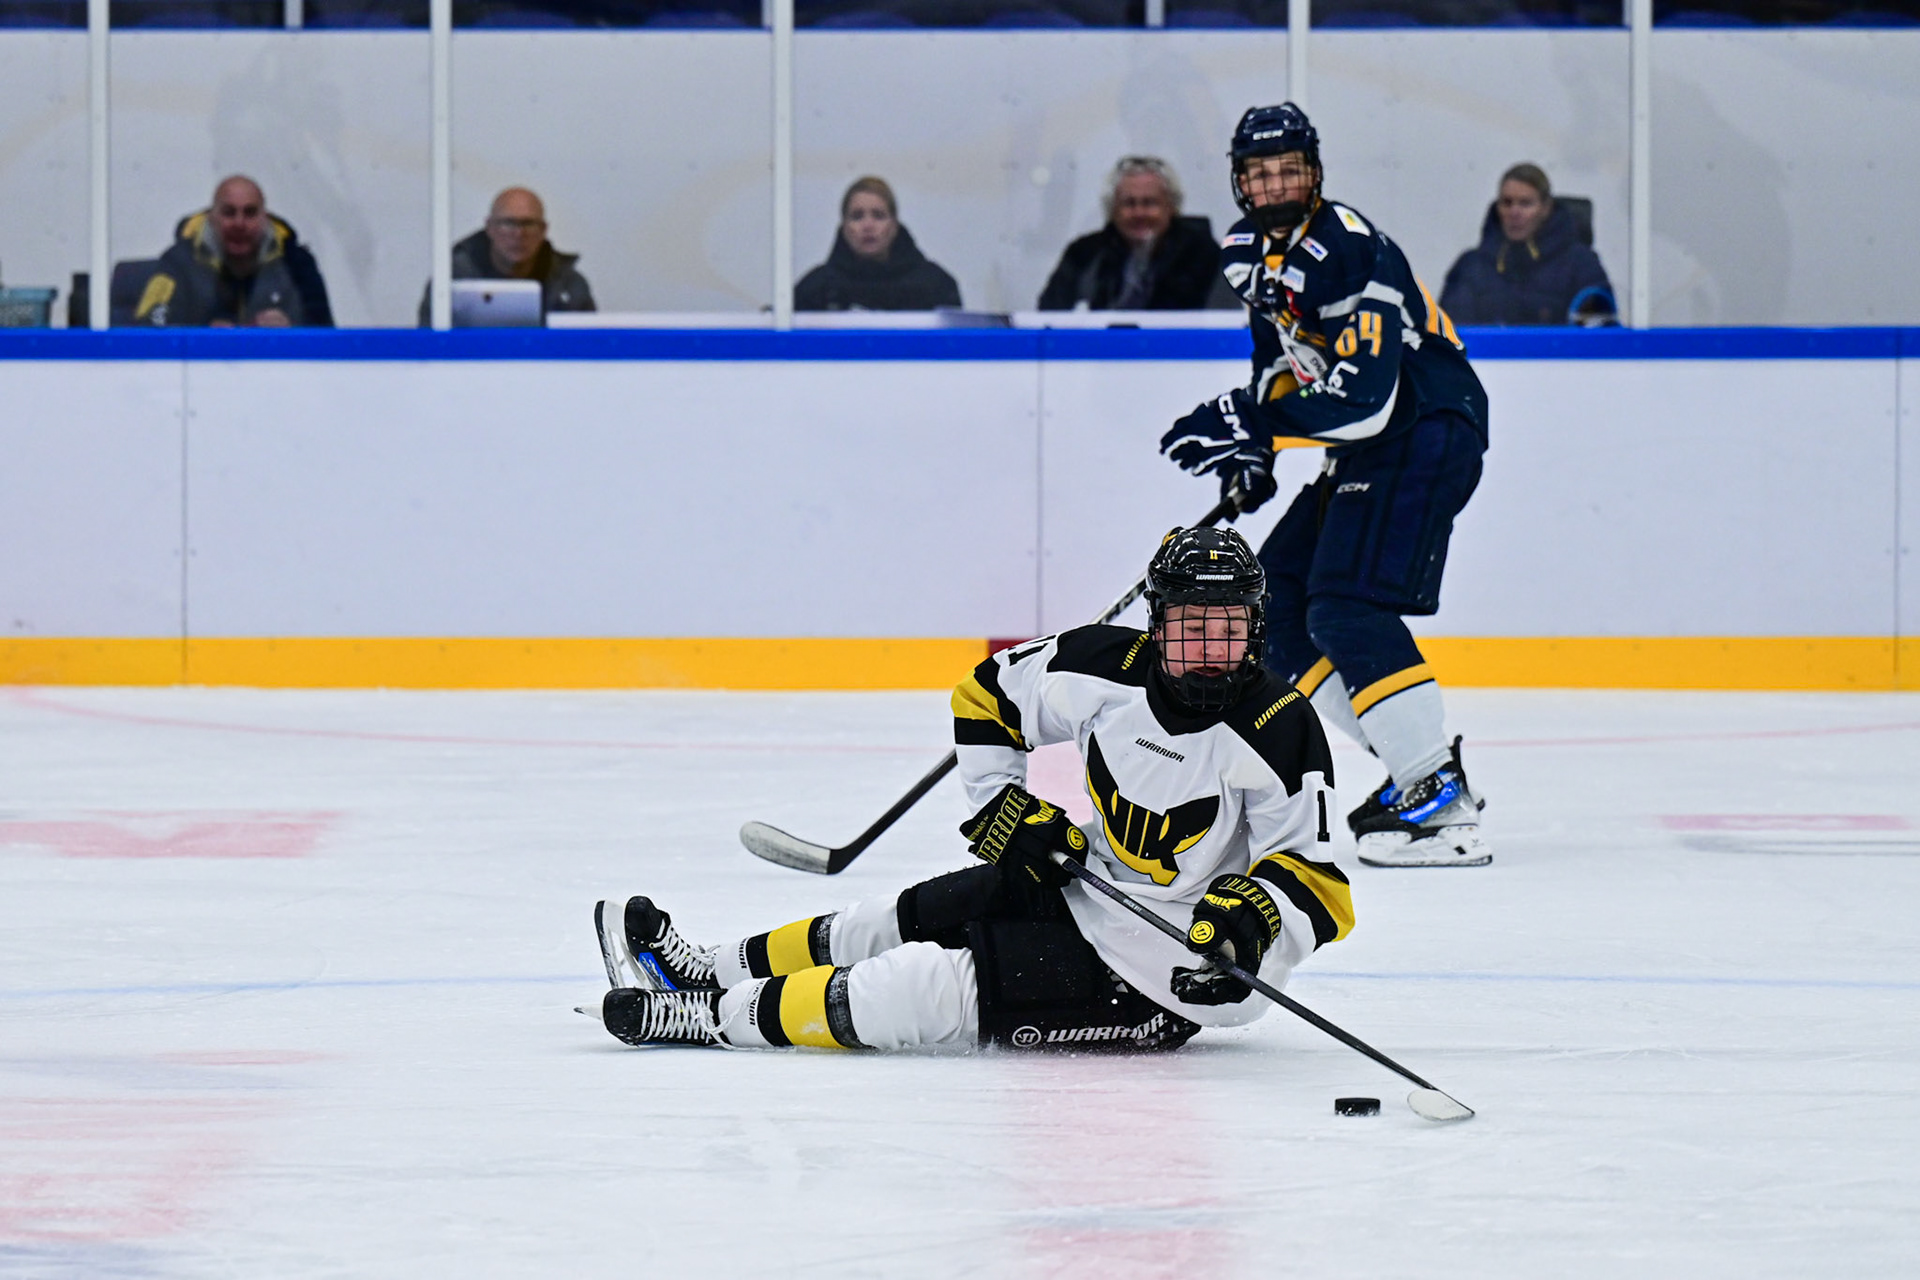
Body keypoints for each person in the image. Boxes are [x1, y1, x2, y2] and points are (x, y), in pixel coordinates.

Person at [579, 527, 1353, 1051]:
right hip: (1088, 880)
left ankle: (709, 1017)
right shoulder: (1097, 669)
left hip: (1165, 973)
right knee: (898, 917)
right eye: (1191, 628)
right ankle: (708, 966)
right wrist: (1003, 810)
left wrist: (1255, 919)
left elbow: (1319, 886)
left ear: (1255, 628)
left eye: (1228, 629)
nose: (1210, 650)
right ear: (1157, 625)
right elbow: (985, 697)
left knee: (917, 987)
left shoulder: (1280, 729)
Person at [1158, 104, 1492, 869]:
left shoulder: (1349, 248)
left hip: (1425, 427)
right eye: (1260, 172)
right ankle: (1419, 769)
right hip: (1373, 445)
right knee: (1273, 604)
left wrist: (1252, 422)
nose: (1276, 185)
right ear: (1240, 183)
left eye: (1290, 169)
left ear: (1314, 173)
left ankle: (1437, 797)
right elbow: (1279, 362)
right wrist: (1255, 452)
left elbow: (1367, 399)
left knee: (1346, 606)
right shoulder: (1246, 255)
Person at [133, 175, 334, 328]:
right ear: (211, 218)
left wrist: (291, 329)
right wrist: (204, 334)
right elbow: (148, 329)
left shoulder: (296, 262)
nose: (239, 224)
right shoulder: (178, 261)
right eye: (229, 213)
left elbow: (326, 334)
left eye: (250, 213)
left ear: (265, 217)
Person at [1439, 163, 1616, 327]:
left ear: (1546, 208)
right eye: (1507, 203)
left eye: (1525, 203)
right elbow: (1448, 334)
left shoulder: (1581, 265)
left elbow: (1600, 336)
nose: (1514, 212)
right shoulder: (1471, 267)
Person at [1037, 157, 1223, 311]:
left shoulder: (1204, 255)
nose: (1139, 213)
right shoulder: (1084, 255)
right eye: (1129, 203)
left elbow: (1224, 320)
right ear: (1113, 210)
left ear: (1171, 207)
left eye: (1149, 203)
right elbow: (1051, 316)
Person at [417, 187, 595, 324]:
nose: (518, 234)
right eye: (508, 223)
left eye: (528, 224)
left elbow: (588, 347)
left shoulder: (569, 286)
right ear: (489, 227)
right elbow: (429, 344)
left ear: (543, 230)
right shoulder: (452, 281)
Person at [794, 176, 961, 312]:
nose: (868, 226)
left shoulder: (936, 285)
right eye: (857, 216)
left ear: (894, 225)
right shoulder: (815, 289)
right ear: (844, 227)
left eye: (878, 216)